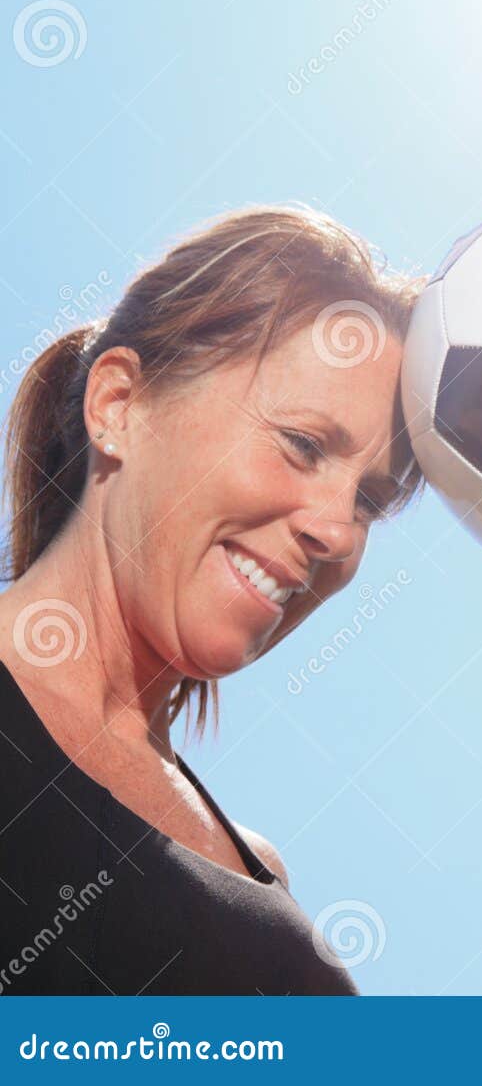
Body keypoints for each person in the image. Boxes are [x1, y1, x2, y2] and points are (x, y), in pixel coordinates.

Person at [0, 206, 420, 995]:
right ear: (119, 403)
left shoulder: (263, 874)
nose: (336, 530)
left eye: (368, 499)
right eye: (301, 443)